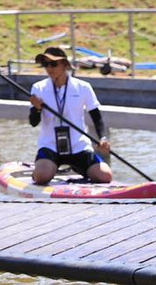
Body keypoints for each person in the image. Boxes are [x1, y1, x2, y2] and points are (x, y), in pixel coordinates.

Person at [29, 45, 113, 185]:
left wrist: (102, 138)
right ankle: (40, 170)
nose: (49, 68)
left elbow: (96, 116)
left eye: (53, 64)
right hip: (50, 146)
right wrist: (37, 109)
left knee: (105, 176)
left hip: (78, 146)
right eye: (45, 64)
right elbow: (33, 122)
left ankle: (77, 167)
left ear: (64, 65)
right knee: (41, 177)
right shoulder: (38, 88)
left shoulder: (83, 87)